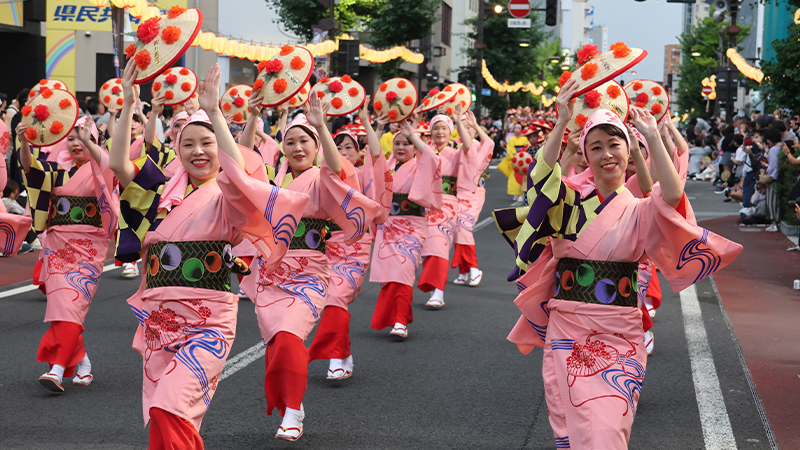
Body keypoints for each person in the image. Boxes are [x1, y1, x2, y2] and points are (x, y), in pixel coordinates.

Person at [493, 79, 742, 449]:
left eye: (614, 145)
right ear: (585, 154)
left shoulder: (641, 208)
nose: (606, 154)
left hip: (619, 332)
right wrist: (561, 123)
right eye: (596, 147)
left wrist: (654, 137)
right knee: (571, 426)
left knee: (609, 431)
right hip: (568, 327)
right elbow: (540, 180)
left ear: (628, 152)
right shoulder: (569, 200)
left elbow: (671, 194)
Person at [112, 62, 309, 448]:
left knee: (170, 405)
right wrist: (128, 104)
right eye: (188, 143)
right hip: (161, 319)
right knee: (164, 414)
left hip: (208, 319)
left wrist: (215, 112)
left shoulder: (228, 194)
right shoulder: (160, 192)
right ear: (177, 149)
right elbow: (120, 164)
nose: (198, 151)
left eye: (207, 143)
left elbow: (240, 176)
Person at [240, 92, 379, 441]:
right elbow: (241, 163)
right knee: (276, 346)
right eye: (290, 141)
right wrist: (253, 116)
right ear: (281, 147)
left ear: (316, 147)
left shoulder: (323, 178)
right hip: (270, 274)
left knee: (288, 337)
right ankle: (290, 402)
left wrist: (321, 125)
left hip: (309, 273)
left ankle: (291, 411)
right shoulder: (272, 177)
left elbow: (341, 171)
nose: (297, 147)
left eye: (305, 141)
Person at [17, 112, 118, 393]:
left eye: (84, 138)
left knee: (72, 306)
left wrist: (93, 141)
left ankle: (58, 369)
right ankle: (81, 361)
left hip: (89, 250)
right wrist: (25, 141)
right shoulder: (57, 170)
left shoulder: (102, 169)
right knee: (64, 309)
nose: (76, 143)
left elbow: (112, 166)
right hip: (58, 247)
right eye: (71, 138)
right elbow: (31, 169)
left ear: (95, 141)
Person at [307, 97, 390, 380]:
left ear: (358, 152)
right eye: (337, 146)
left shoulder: (362, 174)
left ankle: (333, 355)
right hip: (324, 248)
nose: (342, 151)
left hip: (354, 246)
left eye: (348, 148)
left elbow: (377, 156)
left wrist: (366, 121)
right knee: (329, 300)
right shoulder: (321, 176)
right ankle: (341, 353)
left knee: (336, 295)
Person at [370, 120, 442, 338]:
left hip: (412, 226)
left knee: (404, 272)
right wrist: (377, 128)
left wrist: (413, 133)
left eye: (407, 144)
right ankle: (394, 318)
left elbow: (432, 158)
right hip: (388, 226)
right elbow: (371, 161)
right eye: (397, 143)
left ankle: (400, 322)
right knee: (390, 275)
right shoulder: (388, 166)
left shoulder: (421, 165)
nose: (401, 148)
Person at [416, 106, 476, 308]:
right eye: (436, 128)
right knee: (427, 247)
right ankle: (435, 289)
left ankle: (439, 292)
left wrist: (459, 121)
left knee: (439, 245)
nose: (440, 132)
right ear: (430, 131)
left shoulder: (455, 153)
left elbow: (469, 148)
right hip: (425, 204)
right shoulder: (426, 151)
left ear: (450, 132)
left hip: (448, 205)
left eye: (444, 128)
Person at [452, 111, 495, 287]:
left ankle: (474, 268)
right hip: (456, 193)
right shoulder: (456, 148)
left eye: (469, 127)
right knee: (456, 229)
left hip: (473, 193)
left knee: (463, 227)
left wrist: (476, 125)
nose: (466, 130)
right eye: (462, 126)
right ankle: (463, 271)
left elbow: (490, 143)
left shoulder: (477, 145)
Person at [498, 123, 530, 201]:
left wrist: (522, 153)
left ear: (521, 129)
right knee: (514, 178)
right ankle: (515, 194)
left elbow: (527, 147)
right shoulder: (511, 139)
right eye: (515, 128)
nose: (516, 129)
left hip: (523, 160)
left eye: (518, 128)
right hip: (515, 160)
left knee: (523, 177)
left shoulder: (525, 139)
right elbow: (510, 149)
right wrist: (515, 154)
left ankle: (522, 194)